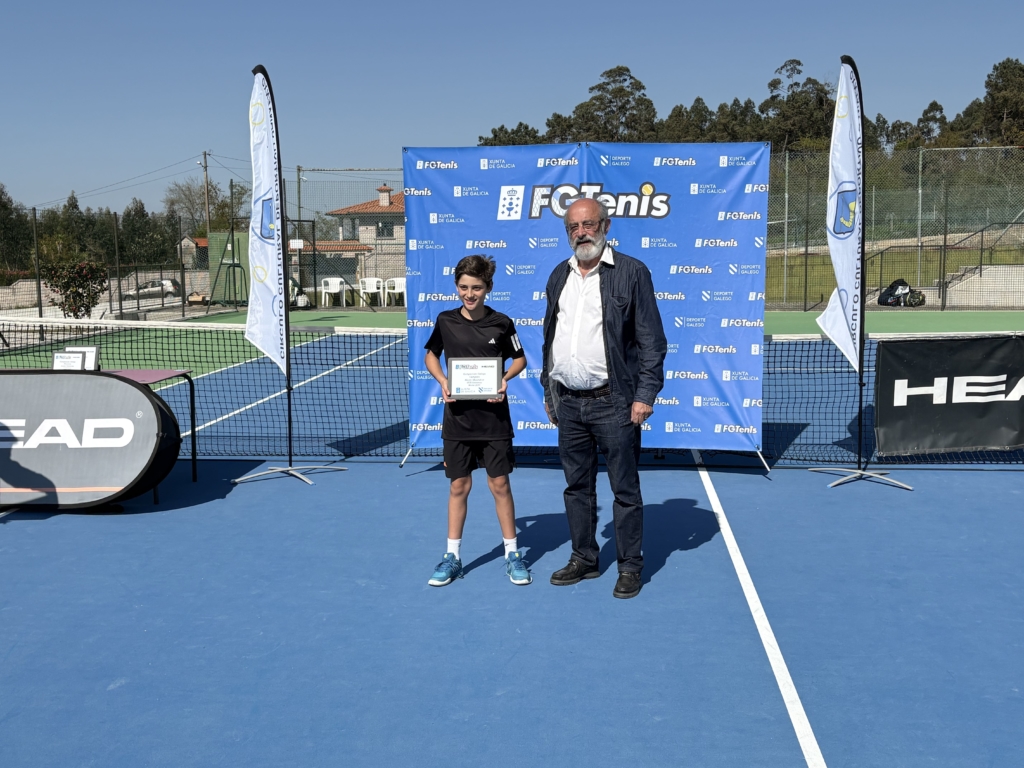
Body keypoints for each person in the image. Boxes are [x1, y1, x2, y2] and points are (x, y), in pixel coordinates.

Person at [541, 197, 667, 599]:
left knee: (624, 490)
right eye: (573, 227)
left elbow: (651, 341)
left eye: (588, 224)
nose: (581, 233)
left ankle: (630, 566)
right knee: (576, 488)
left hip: (614, 402)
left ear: (605, 226)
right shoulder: (559, 275)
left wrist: (644, 394)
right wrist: (549, 390)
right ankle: (584, 558)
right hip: (568, 403)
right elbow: (551, 338)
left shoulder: (631, 272)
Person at [424, 255, 530, 587]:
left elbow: (520, 359)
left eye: (477, 288)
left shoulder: (503, 322)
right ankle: (452, 557)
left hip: (494, 421)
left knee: (500, 485)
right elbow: (430, 355)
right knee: (459, 486)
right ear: (457, 287)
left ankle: (513, 554)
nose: (469, 294)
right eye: (463, 287)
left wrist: (504, 379)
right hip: (458, 421)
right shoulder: (445, 320)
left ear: (488, 288)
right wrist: (443, 380)